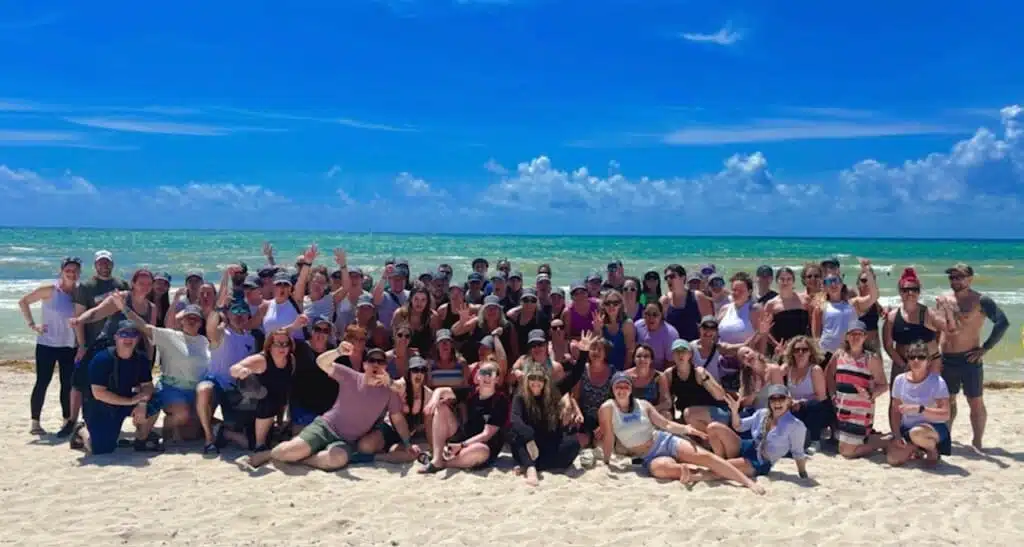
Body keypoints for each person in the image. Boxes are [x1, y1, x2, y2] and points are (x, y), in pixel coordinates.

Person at [251, 347, 416, 470]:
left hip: (346, 441)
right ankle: (268, 454)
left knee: (337, 460)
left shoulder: (389, 391)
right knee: (287, 451)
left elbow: (397, 419)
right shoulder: (351, 376)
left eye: (380, 362)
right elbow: (321, 362)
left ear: (385, 367)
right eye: (372, 360)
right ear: (364, 364)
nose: (376, 365)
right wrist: (338, 351)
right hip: (325, 426)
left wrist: (407, 443)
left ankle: (303, 459)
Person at [599, 372, 764, 493]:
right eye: (618, 386)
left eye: (625, 386)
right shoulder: (607, 408)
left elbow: (666, 424)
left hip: (663, 441)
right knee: (660, 469)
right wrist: (606, 461)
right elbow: (608, 436)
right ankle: (697, 473)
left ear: (630, 389)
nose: (622, 390)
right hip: (648, 456)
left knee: (706, 457)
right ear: (612, 389)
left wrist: (686, 429)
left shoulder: (643, 404)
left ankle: (747, 482)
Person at [935, 263, 1010, 451]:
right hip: (946, 359)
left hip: (969, 359)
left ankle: (977, 442)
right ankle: (946, 438)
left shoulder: (981, 300)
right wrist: (933, 353)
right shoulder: (943, 300)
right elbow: (937, 328)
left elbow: (1002, 322)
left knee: (975, 401)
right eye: (952, 277)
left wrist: (985, 348)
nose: (955, 281)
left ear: (970, 278)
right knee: (947, 401)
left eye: (959, 277)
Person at [118, 297, 211, 442]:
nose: (192, 321)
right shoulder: (169, 336)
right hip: (171, 388)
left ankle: (177, 430)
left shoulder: (204, 341)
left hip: (195, 392)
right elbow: (143, 326)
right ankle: (166, 430)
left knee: (192, 434)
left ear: (201, 323)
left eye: (196, 319)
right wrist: (124, 308)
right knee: (183, 414)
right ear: (182, 321)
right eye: (188, 318)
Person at [508, 331, 594, 486]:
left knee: (573, 444)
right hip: (529, 441)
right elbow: (515, 419)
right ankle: (531, 469)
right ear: (527, 380)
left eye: (539, 378)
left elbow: (574, 376)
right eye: (532, 378)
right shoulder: (520, 395)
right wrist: (529, 436)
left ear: (545, 380)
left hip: (548, 440)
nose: (536, 382)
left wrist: (583, 353)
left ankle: (532, 463)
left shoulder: (553, 391)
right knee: (516, 436)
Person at [69, 320, 158, 454]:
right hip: (100, 405)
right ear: (115, 337)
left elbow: (148, 386)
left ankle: (141, 439)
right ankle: (81, 429)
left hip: (127, 402)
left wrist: (142, 403)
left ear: (138, 338)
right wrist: (131, 401)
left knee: (156, 401)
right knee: (100, 449)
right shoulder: (101, 359)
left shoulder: (141, 359)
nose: (128, 338)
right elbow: (99, 393)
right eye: (124, 334)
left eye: (133, 334)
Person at [19, 256, 81, 435]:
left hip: (70, 346)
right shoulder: (50, 290)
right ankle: (35, 423)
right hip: (47, 345)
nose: (71, 273)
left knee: (67, 384)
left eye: (75, 271)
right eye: (68, 270)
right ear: (61, 271)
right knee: (42, 382)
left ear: (79, 273)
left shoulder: (79, 293)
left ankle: (67, 420)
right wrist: (32, 325)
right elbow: (23, 302)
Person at [419, 359, 507, 473]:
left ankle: (443, 463)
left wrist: (461, 445)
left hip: (483, 447)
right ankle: (437, 459)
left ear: (497, 379)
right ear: (477, 376)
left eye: (491, 373)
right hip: (463, 439)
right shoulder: (471, 392)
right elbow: (441, 390)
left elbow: (486, 435)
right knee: (441, 408)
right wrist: (434, 400)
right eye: (484, 372)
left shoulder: (500, 400)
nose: (487, 377)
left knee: (480, 450)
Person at [706, 385, 810, 480]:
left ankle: (716, 469)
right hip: (748, 446)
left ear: (788, 401)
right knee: (713, 427)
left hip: (759, 461)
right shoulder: (762, 413)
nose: (777, 402)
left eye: (781, 398)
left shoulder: (796, 425)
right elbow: (739, 426)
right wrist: (734, 411)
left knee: (716, 468)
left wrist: (803, 473)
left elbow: (798, 452)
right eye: (773, 399)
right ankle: (721, 463)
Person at [825, 322, 889, 459]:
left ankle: (885, 442)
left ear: (865, 337)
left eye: (859, 334)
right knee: (842, 446)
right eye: (852, 334)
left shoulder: (871, 359)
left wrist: (870, 394)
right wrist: (832, 395)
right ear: (847, 337)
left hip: (860, 411)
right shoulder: (839, 355)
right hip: (841, 409)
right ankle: (875, 438)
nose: (856, 337)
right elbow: (829, 375)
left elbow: (883, 385)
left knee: (847, 452)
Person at [229, 329, 296, 458]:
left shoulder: (291, 360)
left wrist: (280, 422)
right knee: (251, 443)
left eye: (285, 344)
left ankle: (267, 434)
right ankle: (229, 434)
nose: (282, 347)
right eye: (277, 344)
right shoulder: (261, 360)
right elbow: (233, 369)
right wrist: (241, 371)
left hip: (269, 410)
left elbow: (284, 390)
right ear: (269, 345)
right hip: (250, 406)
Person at [886, 342, 953, 466]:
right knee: (893, 459)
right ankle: (917, 449)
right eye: (912, 357)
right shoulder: (899, 380)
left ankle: (932, 450)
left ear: (928, 361)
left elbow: (946, 414)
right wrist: (897, 435)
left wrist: (920, 409)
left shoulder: (937, 382)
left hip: (933, 429)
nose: (916, 360)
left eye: (921, 357)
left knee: (916, 433)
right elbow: (895, 411)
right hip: (907, 429)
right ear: (908, 360)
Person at [769, 335, 831, 445]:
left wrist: (801, 402)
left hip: (812, 408)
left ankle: (815, 441)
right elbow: (772, 374)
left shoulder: (815, 369)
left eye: (804, 350)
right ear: (792, 352)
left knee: (814, 406)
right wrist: (777, 356)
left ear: (810, 352)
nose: (800, 353)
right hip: (793, 406)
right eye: (797, 350)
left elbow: (821, 397)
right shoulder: (788, 367)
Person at [657, 339, 731, 431]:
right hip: (691, 418)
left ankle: (711, 437)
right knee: (667, 416)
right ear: (672, 355)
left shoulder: (698, 372)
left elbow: (720, 396)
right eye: (677, 351)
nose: (680, 354)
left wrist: (705, 378)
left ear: (690, 354)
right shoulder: (669, 374)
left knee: (689, 414)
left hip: (716, 413)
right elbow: (666, 401)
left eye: (684, 351)